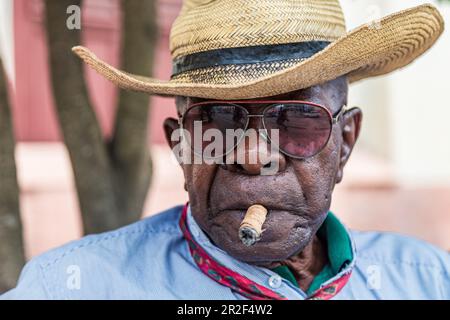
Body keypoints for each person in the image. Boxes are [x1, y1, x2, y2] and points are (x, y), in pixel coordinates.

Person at [3, 0, 449, 299]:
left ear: (346, 143)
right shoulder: (67, 288)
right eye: (216, 120)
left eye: (296, 119)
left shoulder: (427, 281)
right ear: (181, 148)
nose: (254, 155)